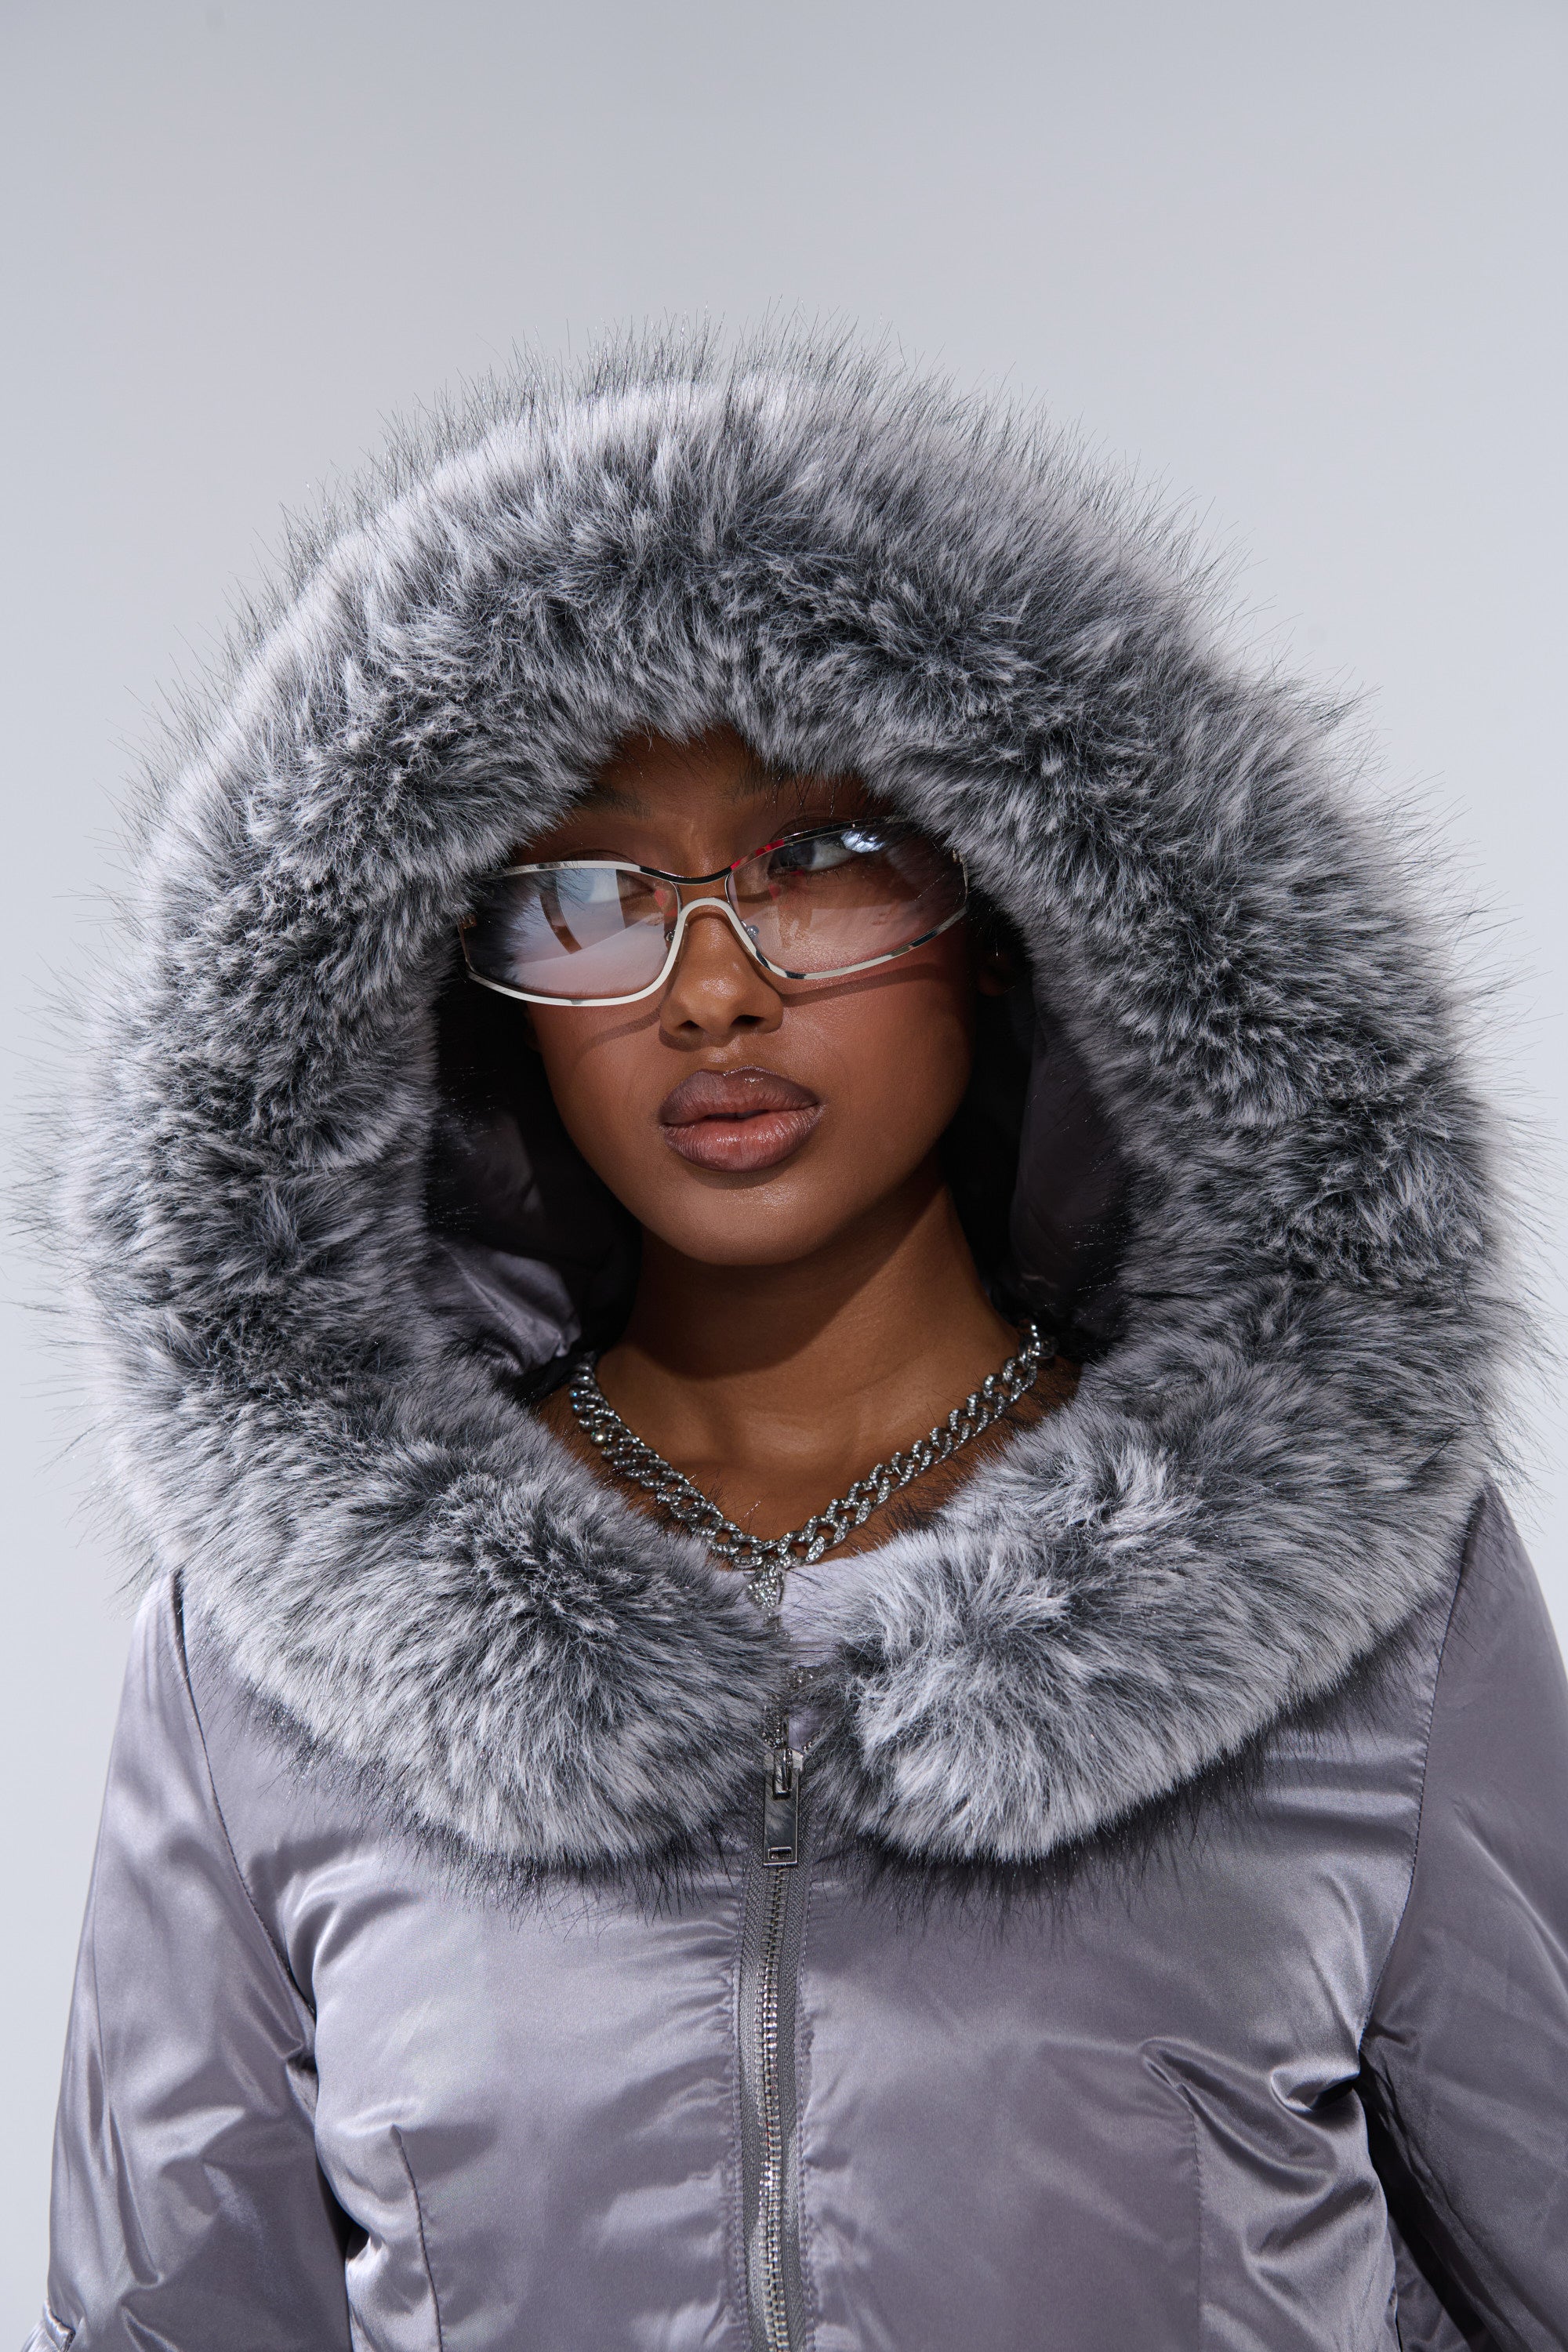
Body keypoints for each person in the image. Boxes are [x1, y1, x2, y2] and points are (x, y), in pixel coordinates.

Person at [27, 332, 1568, 2352]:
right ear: (475, 980)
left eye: (819, 859)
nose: (713, 989)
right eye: (591, 889)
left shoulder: (1356, 1594)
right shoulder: (269, 1663)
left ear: (1011, 897)